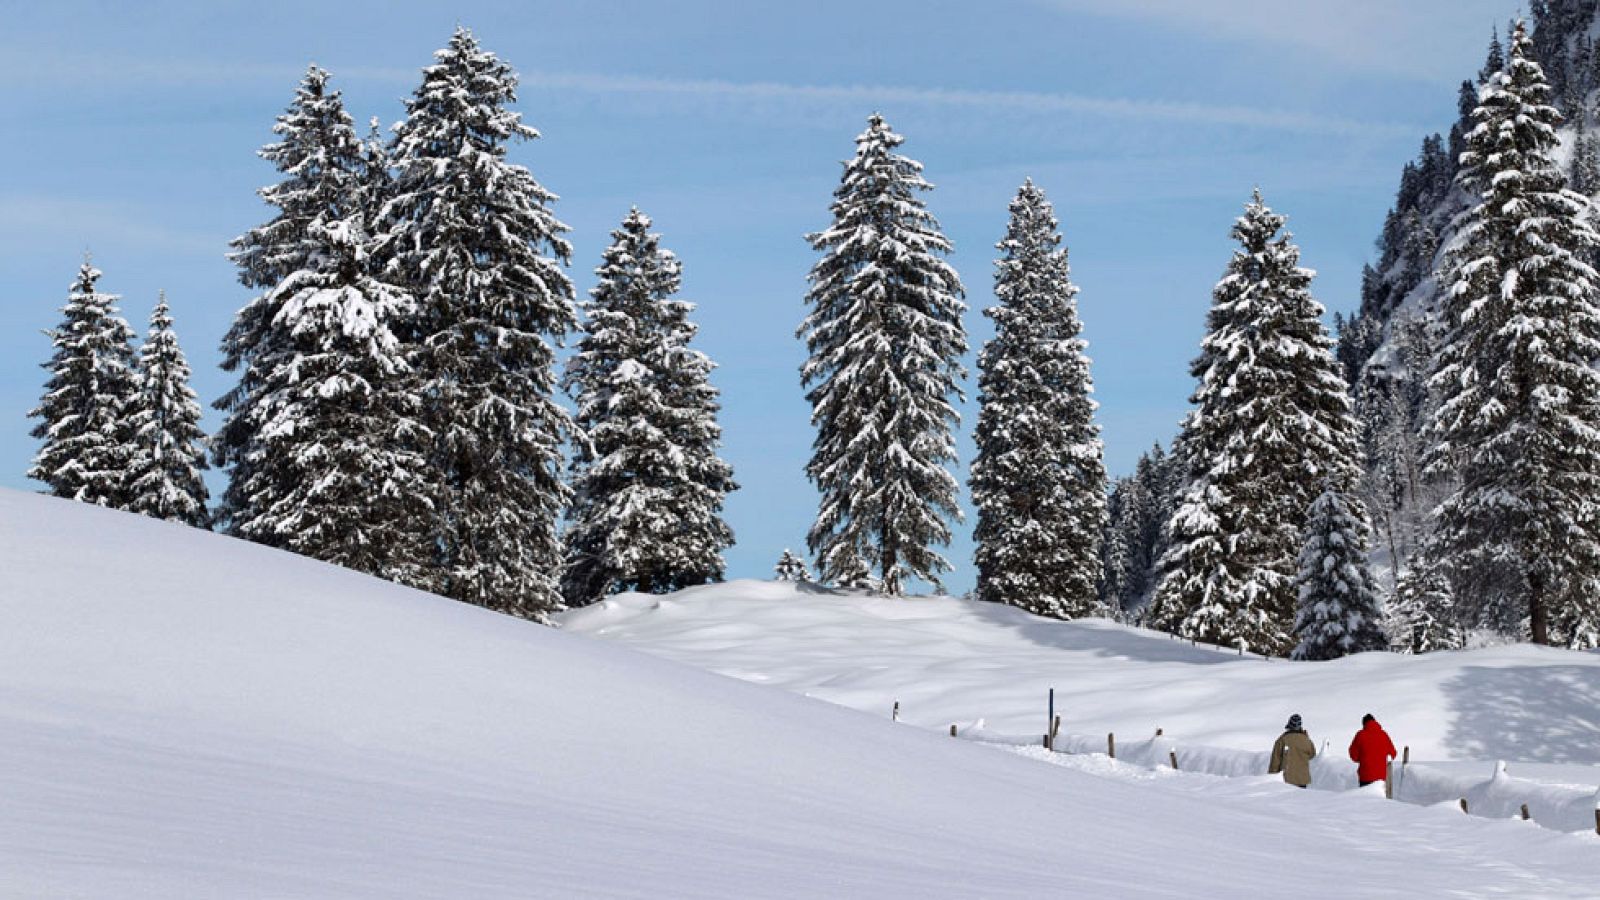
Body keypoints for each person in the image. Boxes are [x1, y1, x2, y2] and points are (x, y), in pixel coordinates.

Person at [1349, 713, 1398, 787]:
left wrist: (1363, 758)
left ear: (1364, 724)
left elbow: (1353, 755)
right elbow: (1393, 754)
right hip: (1381, 778)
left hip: (1365, 776)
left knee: (1366, 797)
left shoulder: (1360, 735)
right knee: (1378, 798)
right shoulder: (1384, 735)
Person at [1269, 714, 1317, 788]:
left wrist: (1272, 778)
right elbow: (1312, 755)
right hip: (1302, 780)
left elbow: (1275, 761)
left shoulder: (1282, 740)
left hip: (1286, 779)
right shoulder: (1306, 740)